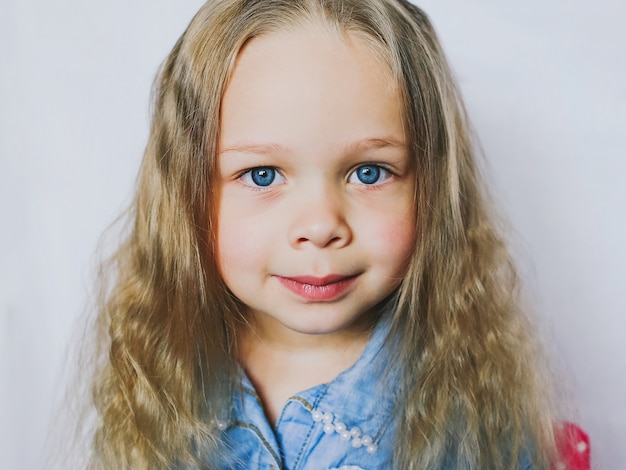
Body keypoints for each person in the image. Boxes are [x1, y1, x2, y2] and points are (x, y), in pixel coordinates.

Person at [85, 0, 557, 468]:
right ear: (186, 192)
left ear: (431, 187)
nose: (319, 226)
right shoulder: (159, 378)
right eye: (264, 175)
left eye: (370, 173)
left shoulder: (469, 405)